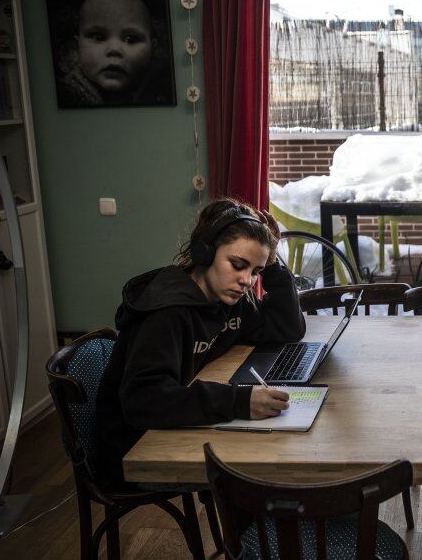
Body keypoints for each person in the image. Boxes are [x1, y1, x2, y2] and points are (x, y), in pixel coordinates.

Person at [95, 198, 306, 486]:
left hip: (176, 422)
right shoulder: (166, 312)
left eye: (254, 271)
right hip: (134, 447)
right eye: (237, 264)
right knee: (251, 479)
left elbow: (286, 328)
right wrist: (239, 400)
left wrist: (270, 265)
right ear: (204, 253)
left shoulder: (227, 298)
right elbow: (143, 400)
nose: (246, 280)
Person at [55, 0, 172, 107]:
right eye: (98, 37)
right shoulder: (63, 93)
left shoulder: (164, 90)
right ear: (77, 45)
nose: (114, 49)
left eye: (130, 39)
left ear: (152, 48)